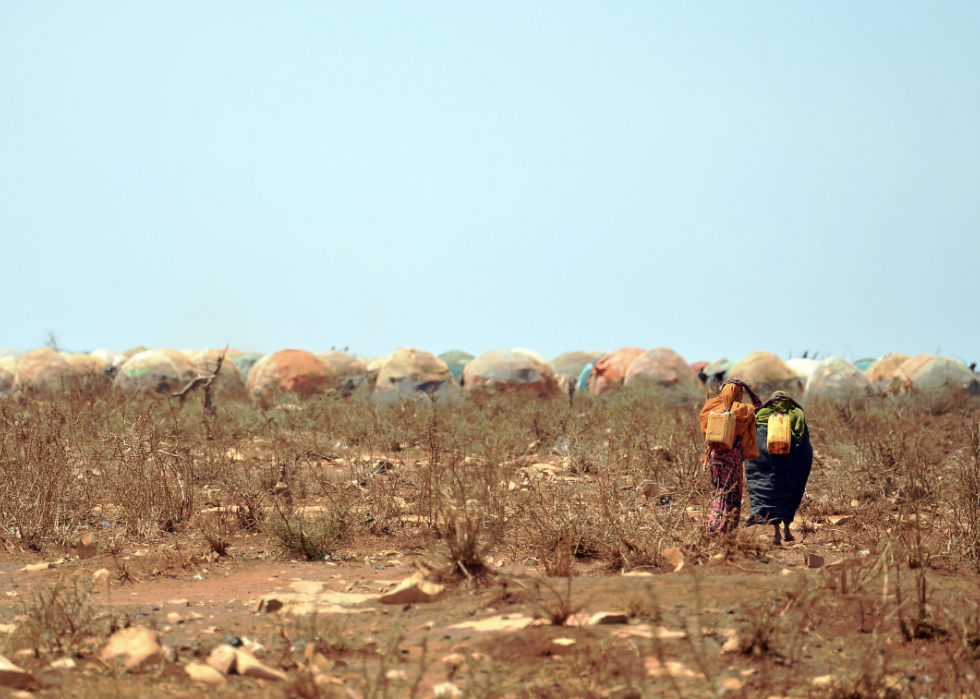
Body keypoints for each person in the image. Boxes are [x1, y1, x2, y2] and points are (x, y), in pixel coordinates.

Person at [744, 391, 813, 545]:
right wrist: (793, 401)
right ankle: (787, 530)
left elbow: (756, 420)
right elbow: (804, 440)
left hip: (770, 467)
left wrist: (768, 401)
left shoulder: (763, 416)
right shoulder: (796, 415)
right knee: (789, 495)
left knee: (773, 495)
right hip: (791, 467)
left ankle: (777, 534)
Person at [698, 379, 761, 536]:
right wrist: (747, 387)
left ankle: (713, 527)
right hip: (733, 459)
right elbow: (759, 407)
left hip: (715, 457)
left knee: (719, 492)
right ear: (740, 394)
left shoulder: (711, 406)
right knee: (732, 494)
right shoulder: (743, 410)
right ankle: (725, 530)